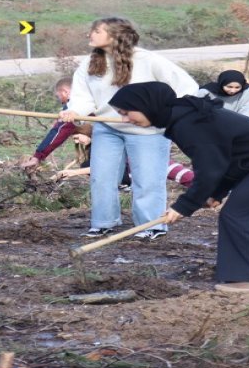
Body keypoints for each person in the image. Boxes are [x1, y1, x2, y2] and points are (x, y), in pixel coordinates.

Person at [109, 82, 249, 293]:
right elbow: (227, 160)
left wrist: (184, 206)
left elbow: (210, 169)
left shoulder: (189, 124)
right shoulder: (185, 118)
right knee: (247, 216)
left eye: (127, 113)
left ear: (147, 105)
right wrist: (216, 193)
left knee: (241, 216)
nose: (125, 120)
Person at [59, 17, 199, 240]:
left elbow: (187, 87)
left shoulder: (148, 60)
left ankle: (151, 225)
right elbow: (83, 96)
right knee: (102, 177)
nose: (90, 34)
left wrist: (163, 113)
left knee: (148, 179)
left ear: (114, 35)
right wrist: (74, 111)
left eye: (96, 31)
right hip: (107, 127)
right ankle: (103, 222)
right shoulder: (90, 63)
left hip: (147, 131)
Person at [53, 125, 195, 188]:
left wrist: (73, 173)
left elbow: (104, 167)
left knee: (183, 175)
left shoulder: (105, 142)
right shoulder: (94, 146)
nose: (78, 142)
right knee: (86, 165)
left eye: (78, 137)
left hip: (146, 160)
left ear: (86, 132)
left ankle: (210, 191)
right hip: (133, 170)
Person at [20, 77, 79, 171]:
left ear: (65, 92)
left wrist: (37, 156)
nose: (60, 100)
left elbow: (60, 131)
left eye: (58, 96)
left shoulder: (74, 107)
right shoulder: (89, 96)